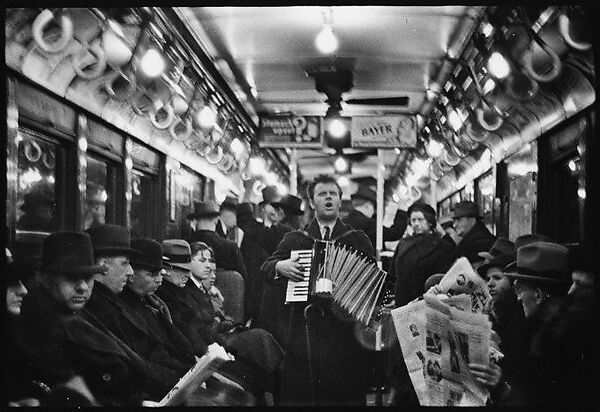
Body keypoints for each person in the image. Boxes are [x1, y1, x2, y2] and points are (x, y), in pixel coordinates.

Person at [260, 174, 375, 406]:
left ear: (341, 201)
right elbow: (266, 268)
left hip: (345, 334)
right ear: (312, 202)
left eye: (333, 194)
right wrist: (280, 266)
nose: (328, 198)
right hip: (305, 332)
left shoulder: (357, 240)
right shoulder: (295, 240)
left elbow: (371, 282)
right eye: (322, 194)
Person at [12, 232, 148, 406]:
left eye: (88, 278)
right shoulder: (40, 327)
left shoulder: (74, 311)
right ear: (47, 280)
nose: (82, 287)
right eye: (71, 278)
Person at [497, 241, 596, 407]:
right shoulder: (528, 327)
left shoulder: (555, 340)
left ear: (538, 295)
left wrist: (502, 390)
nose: (518, 298)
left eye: (520, 289)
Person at [389, 201, 455, 307]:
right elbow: (393, 272)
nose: (416, 223)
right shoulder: (403, 243)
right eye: (413, 220)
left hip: (427, 302)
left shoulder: (441, 246)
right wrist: (392, 296)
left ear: (430, 222)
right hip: (401, 301)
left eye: (420, 219)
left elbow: (443, 277)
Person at [190, 201, 247, 281]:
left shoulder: (188, 244)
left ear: (195, 221)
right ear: (216, 220)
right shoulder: (230, 247)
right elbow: (242, 279)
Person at [343, 185, 407, 250]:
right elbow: (394, 233)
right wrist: (402, 209)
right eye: (374, 208)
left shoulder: (343, 221)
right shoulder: (368, 223)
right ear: (368, 206)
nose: (373, 212)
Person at [451, 201, 496, 265]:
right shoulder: (472, 240)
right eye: (454, 220)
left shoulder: (481, 243)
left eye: (459, 220)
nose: (454, 225)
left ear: (472, 220)